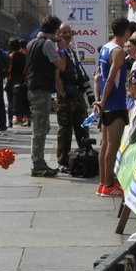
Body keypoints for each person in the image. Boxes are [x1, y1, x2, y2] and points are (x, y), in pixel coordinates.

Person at [93, 17, 132, 197]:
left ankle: (102, 184)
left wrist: (98, 99)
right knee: (112, 145)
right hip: (114, 103)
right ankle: (108, 184)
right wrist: (102, 100)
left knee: (105, 145)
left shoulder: (106, 48)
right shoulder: (117, 51)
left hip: (107, 102)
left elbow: (97, 77)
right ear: (126, 32)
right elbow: (109, 79)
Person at [25, 17, 64, 176]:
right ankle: (38, 164)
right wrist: (60, 48)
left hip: (33, 87)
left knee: (41, 126)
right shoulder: (47, 44)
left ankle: (38, 162)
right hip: (41, 89)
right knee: (40, 128)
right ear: (55, 30)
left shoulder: (32, 42)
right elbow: (60, 65)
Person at [52, 24, 90, 169]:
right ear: (59, 34)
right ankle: (62, 161)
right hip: (66, 96)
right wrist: (62, 94)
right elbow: (56, 76)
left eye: (69, 32)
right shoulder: (58, 51)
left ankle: (86, 154)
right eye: (64, 32)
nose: (67, 34)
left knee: (83, 125)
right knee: (65, 130)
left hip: (77, 94)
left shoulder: (71, 51)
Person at [6, 38, 28, 128]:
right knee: (24, 100)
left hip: (12, 80)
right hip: (22, 80)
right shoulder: (23, 55)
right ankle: (27, 119)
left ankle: (10, 121)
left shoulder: (10, 56)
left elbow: (8, 69)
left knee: (10, 101)